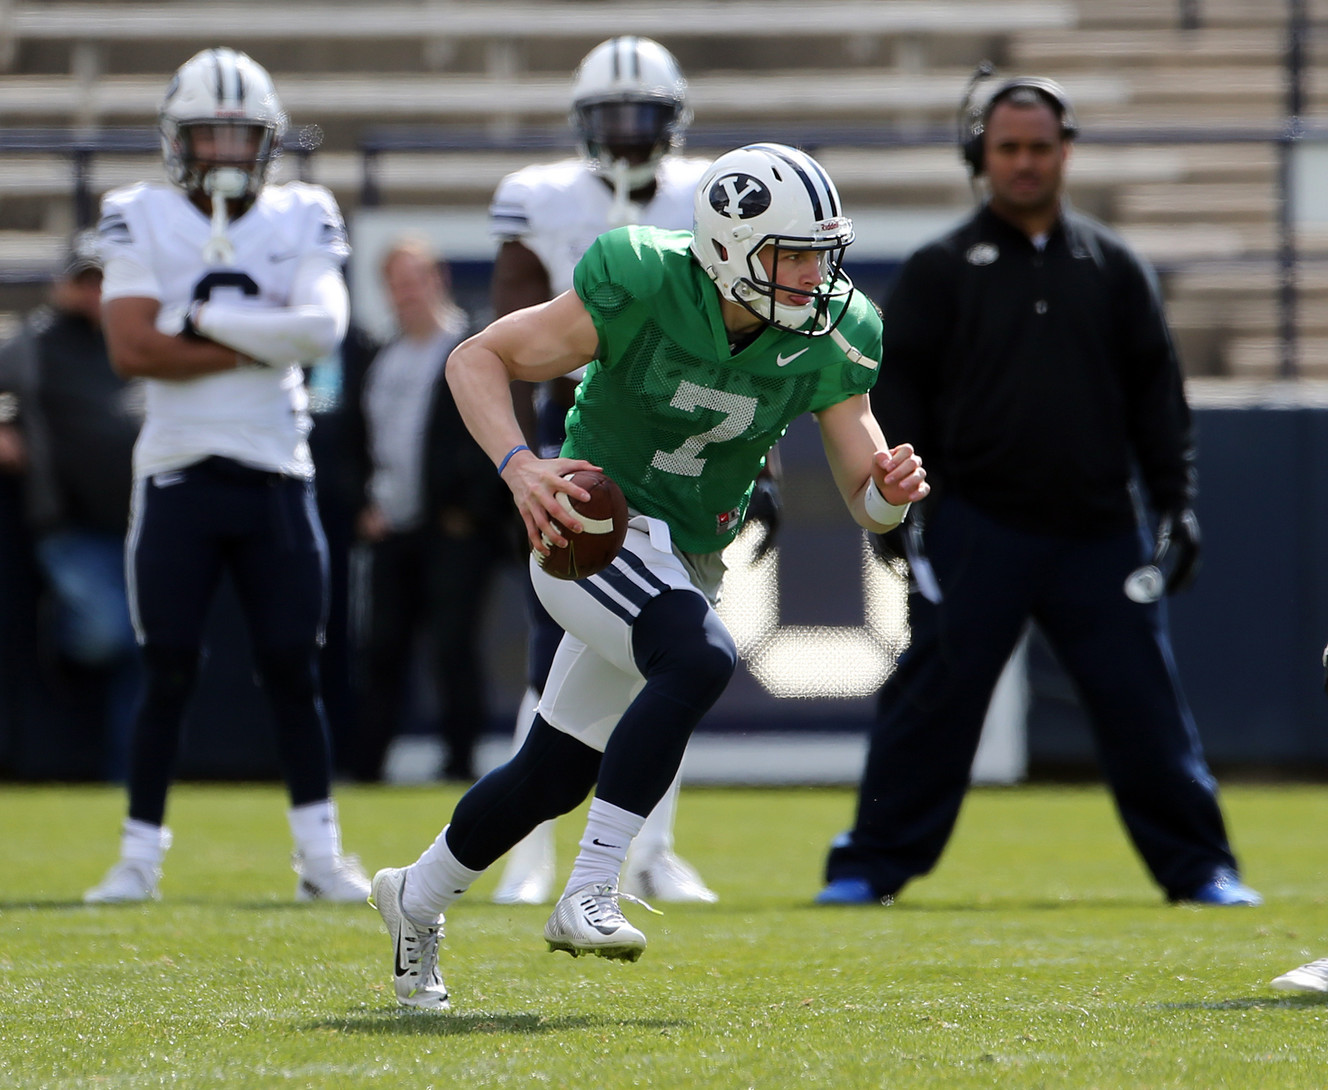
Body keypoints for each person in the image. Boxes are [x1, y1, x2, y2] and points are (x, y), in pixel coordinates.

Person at [366, 142, 931, 1010]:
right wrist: (521, 466)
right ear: (728, 247)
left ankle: (417, 894)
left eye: (821, 254)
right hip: (595, 532)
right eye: (791, 255)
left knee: (552, 772)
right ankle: (592, 887)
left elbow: (866, 497)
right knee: (698, 659)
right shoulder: (641, 275)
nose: (813, 276)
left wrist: (889, 496)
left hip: (691, 552)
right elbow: (475, 357)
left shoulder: (839, 330)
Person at [816, 74, 1260, 908]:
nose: (1025, 163)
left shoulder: (1115, 267)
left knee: (1144, 708)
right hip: (979, 528)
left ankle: (1201, 868)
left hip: (1098, 531)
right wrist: (901, 517)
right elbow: (893, 407)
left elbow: (1157, 399)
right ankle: (868, 866)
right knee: (932, 705)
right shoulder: (941, 270)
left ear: (1066, 153)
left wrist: (1176, 502)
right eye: (1008, 148)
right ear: (979, 158)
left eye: (1040, 147)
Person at [83, 47, 369, 904]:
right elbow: (132, 347)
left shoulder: (303, 211)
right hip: (175, 473)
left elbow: (320, 330)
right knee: (165, 667)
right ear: (177, 140)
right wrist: (258, 330)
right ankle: (138, 859)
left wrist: (199, 316)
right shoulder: (135, 211)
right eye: (207, 134)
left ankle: (320, 859)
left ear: (269, 141)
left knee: (293, 666)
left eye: (240, 136)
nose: (223, 153)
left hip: (276, 470)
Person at [487, 35, 743, 906]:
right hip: (583, 443)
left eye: (645, 120)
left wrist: (762, 478)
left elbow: (757, 358)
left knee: (669, 660)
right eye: (614, 119)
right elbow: (508, 342)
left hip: (691, 445)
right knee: (551, 657)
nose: (630, 138)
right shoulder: (541, 198)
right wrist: (521, 470)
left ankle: (648, 853)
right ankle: (529, 858)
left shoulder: (715, 197)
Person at [345, 238, 515, 783]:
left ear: (437, 279)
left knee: (452, 647)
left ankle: (459, 763)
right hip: (390, 527)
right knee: (382, 649)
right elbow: (353, 441)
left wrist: (468, 510)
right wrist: (362, 505)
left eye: (415, 279)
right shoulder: (378, 357)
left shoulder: (473, 349)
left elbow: (497, 435)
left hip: (454, 532)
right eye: (396, 282)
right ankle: (368, 766)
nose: (407, 292)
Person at [0, 231, 141, 781]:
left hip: (141, 523)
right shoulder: (31, 342)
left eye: (103, 280)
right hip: (69, 524)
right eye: (84, 279)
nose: (93, 291)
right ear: (63, 284)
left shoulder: (133, 338)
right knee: (109, 634)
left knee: (147, 648)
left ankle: (128, 775)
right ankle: (57, 638)